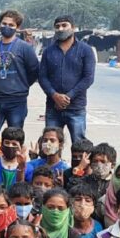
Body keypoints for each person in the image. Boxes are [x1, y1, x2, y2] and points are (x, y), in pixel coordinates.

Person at [38, 15, 95, 145]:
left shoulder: (85, 50)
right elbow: (42, 77)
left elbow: (88, 78)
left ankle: (77, 166)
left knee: (79, 146)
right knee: (50, 145)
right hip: (53, 108)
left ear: (73, 28)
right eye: (57, 26)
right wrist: (54, 95)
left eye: (64, 25)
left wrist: (68, 97)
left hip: (76, 108)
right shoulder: (48, 51)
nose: (61, 29)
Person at [0, 10, 39, 135]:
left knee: (14, 137)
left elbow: (34, 71)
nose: (7, 27)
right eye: (4, 23)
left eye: (11, 25)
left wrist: (22, 85)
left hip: (17, 101)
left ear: (18, 27)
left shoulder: (25, 48)